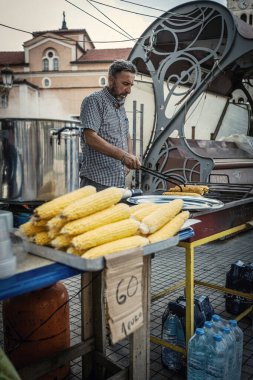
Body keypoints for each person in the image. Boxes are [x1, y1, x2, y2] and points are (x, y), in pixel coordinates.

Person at [79, 59, 141, 191]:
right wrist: (123, 156)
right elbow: (89, 137)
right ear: (111, 80)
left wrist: (130, 155)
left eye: (131, 85)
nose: (129, 90)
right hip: (96, 182)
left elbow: (125, 133)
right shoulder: (94, 101)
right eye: (125, 84)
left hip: (118, 181)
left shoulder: (120, 104)